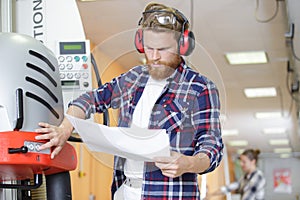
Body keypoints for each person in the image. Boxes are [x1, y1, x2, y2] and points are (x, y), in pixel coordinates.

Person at [35, 2, 223, 200]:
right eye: (149, 48)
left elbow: (212, 145)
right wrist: (65, 128)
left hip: (168, 195)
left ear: (182, 45)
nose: (155, 57)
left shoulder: (200, 87)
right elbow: (91, 98)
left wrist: (188, 163)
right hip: (124, 191)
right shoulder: (132, 79)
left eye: (163, 49)